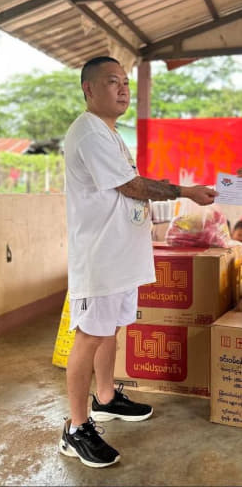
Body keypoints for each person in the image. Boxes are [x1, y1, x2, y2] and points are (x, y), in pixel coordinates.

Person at [59, 56, 218, 469]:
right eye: (112, 82)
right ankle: (76, 429)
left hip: (119, 256)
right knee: (89, 337)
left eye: (126, 82)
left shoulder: (110, 134)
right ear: (89, 89)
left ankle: (107, 398)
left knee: (110, 329)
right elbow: (131, 185)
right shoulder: (89, 133)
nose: (123, 89)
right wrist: (184, 190)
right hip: (98, 258)